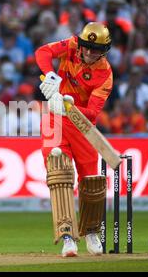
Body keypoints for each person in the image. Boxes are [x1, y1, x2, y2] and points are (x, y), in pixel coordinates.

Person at [35, 22, 113, 257]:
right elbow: (43, 52)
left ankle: (90, 231)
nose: (88, 53)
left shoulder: (105, 75)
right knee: (59, 173)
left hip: (83, 125)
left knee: (91, 182)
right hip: (55, 120)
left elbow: (93, 112)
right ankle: (67, 236)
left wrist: (69, 102)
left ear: (104, 51)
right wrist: (49, 74)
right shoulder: (70, 45)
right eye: (86, 47)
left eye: (95, 49)